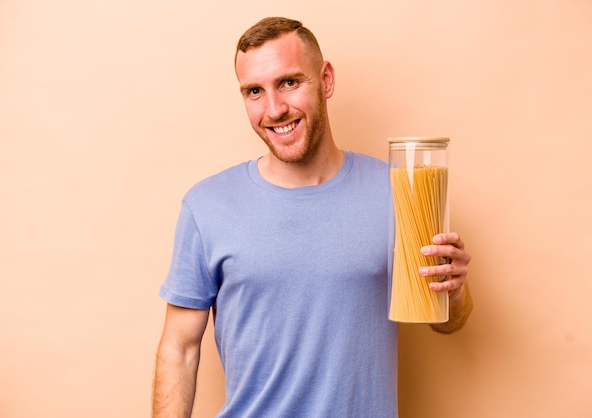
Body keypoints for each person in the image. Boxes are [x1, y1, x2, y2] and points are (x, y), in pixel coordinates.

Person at [152, 16, 473, 418]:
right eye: (254, 91)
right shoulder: (207, 206)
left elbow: (445, 321)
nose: (274, 109)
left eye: (289, 82)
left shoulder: (396, 192)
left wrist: (455, 290)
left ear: (326, 80)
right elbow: (179, 349)